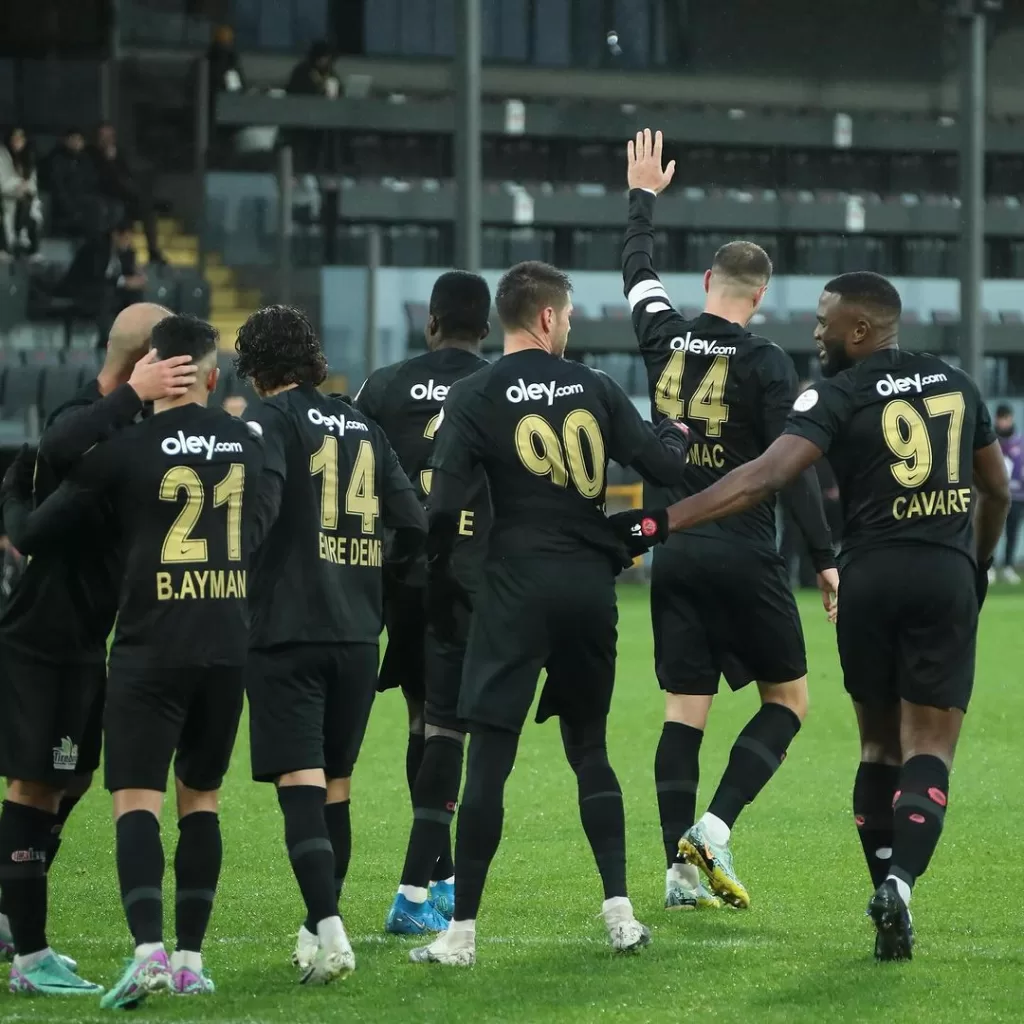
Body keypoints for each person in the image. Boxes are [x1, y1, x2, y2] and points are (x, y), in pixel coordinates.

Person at [614, 270, 1010, 961]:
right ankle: (900, 886)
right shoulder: (958, 384)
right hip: (943, 575)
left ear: (861, 328)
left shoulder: (834, 394)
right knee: (929, 749)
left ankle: (882, 893)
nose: (816, 332)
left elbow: (767, 475)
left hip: (869, 580)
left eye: (826, 322)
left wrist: (664, 520)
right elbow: (996, 491)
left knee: (877, 749)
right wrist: (974, 565)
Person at [409, 260, 692, 967]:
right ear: (545, 317)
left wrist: (439, 585)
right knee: (590, 749)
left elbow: (441, 508)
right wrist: (677, 435)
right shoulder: (594, 386)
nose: (568, 325)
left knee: (490, 758)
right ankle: (620, 912)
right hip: (589, 589)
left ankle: (462, 932)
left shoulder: (475, 393)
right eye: (566, 315)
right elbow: (665, 469)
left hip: (514, 588)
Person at [4, 315, 266, 1007]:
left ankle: (135, 948)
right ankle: (39, 948)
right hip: (64, 641)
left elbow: (37, 521)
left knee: (98, 789)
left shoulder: (125, 443)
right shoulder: (231, 440)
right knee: (52, 788)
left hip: (129, 643)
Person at [622, 129, 838, 911]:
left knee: (684, 715)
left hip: (674, 550)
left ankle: (678, 876)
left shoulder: (661, 333)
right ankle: (712, 830)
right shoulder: (768, 361)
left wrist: (643, 196)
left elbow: (637, 272)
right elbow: (791, 467)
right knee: (788, 703)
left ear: (709, 280)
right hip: (745, 553)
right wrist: (825, 557)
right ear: (761, 297)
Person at [235, 305, 426, 983]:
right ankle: (314, 930)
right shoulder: (362, 425)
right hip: (356, 634)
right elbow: (412, 519)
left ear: (255, 368)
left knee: (300, 782)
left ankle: (332, 931)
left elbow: (255, 510)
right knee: (335, 786)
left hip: (287, 628)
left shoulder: (266, 420)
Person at [354, 271, 492, 936]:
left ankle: (439, 877)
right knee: (450, 729)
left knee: (421, 720)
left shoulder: (383, 386)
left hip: (401, 573)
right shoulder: (498, 385)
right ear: (486, 328)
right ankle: (419, 888)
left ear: (430, 322)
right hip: (469, 575)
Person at [59, 221, 147, 347]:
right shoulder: (97, 248)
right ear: (115, 235)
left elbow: (129, 274)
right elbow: (97, 277)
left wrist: (137, 276)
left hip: (108, 291)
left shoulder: (127, 252)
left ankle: (135, 336)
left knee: (135, 293)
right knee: (106, 292)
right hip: (83, 289)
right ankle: (105, 340)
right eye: (126, 238)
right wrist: (124, 281)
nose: (128, 243)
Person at [90, 122, 164, 265]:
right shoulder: (92, 156)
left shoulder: (120, 154)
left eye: (110, 137)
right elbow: (100, 179)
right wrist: (109, 162)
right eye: (103, 137)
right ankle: (122, 255)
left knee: (146, 208)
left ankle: (153, 250)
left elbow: (126, 176)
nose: (107, 140)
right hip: (105, 196)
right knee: (120, 214)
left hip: (124, 197)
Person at [40, 128, 102, 239]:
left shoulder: (86, 160)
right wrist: (69, 203)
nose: (76, 143)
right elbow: (57, 186)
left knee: (99, 206)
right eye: (73, 139)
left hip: (83, 198)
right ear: (66, 141)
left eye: (79, 140)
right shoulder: (57, 159)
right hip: (64, 200)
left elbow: (92, 182)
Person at [0, 128, 43, 259]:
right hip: (5, 199)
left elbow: (33, 185)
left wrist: (25, 188)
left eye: (20, 139)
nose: (17, 142)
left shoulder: (28, 156)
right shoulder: (2, 156)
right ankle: (6, 247)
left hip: (25, 199)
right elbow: (3, 183)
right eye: (14, 139)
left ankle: (32, 250)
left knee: (32, 211)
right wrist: (18, 185)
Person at [993, 404, 1023, 584]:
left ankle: (1008, 566)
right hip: (994, 496)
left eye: (1006, 418)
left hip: (1016, 496)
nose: (1003, 422)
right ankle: (989, 566)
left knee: (1012, 532)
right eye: (1001, 418)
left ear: (1011, 419)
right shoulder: (990, 441)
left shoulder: (1020, 442)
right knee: (991, 531)